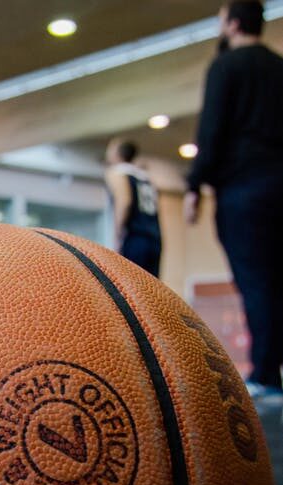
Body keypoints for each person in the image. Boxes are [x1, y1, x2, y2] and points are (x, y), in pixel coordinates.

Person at [185, 0, 283, 402]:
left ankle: (266, 375)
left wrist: (194, 184)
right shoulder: (279, 68)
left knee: (256, 280)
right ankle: (270, 371)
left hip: (244, 190)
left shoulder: (226, 67)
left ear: (233, 23)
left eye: (221, 17)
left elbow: (212, 130)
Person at [104, 139, 162, 277]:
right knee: (151, 288)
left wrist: (117, 235)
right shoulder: (145, 176)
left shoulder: (117, 172)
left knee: (131, 286)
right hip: (155, 237)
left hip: (134, 237)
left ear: (117, 154)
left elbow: (125, 202)